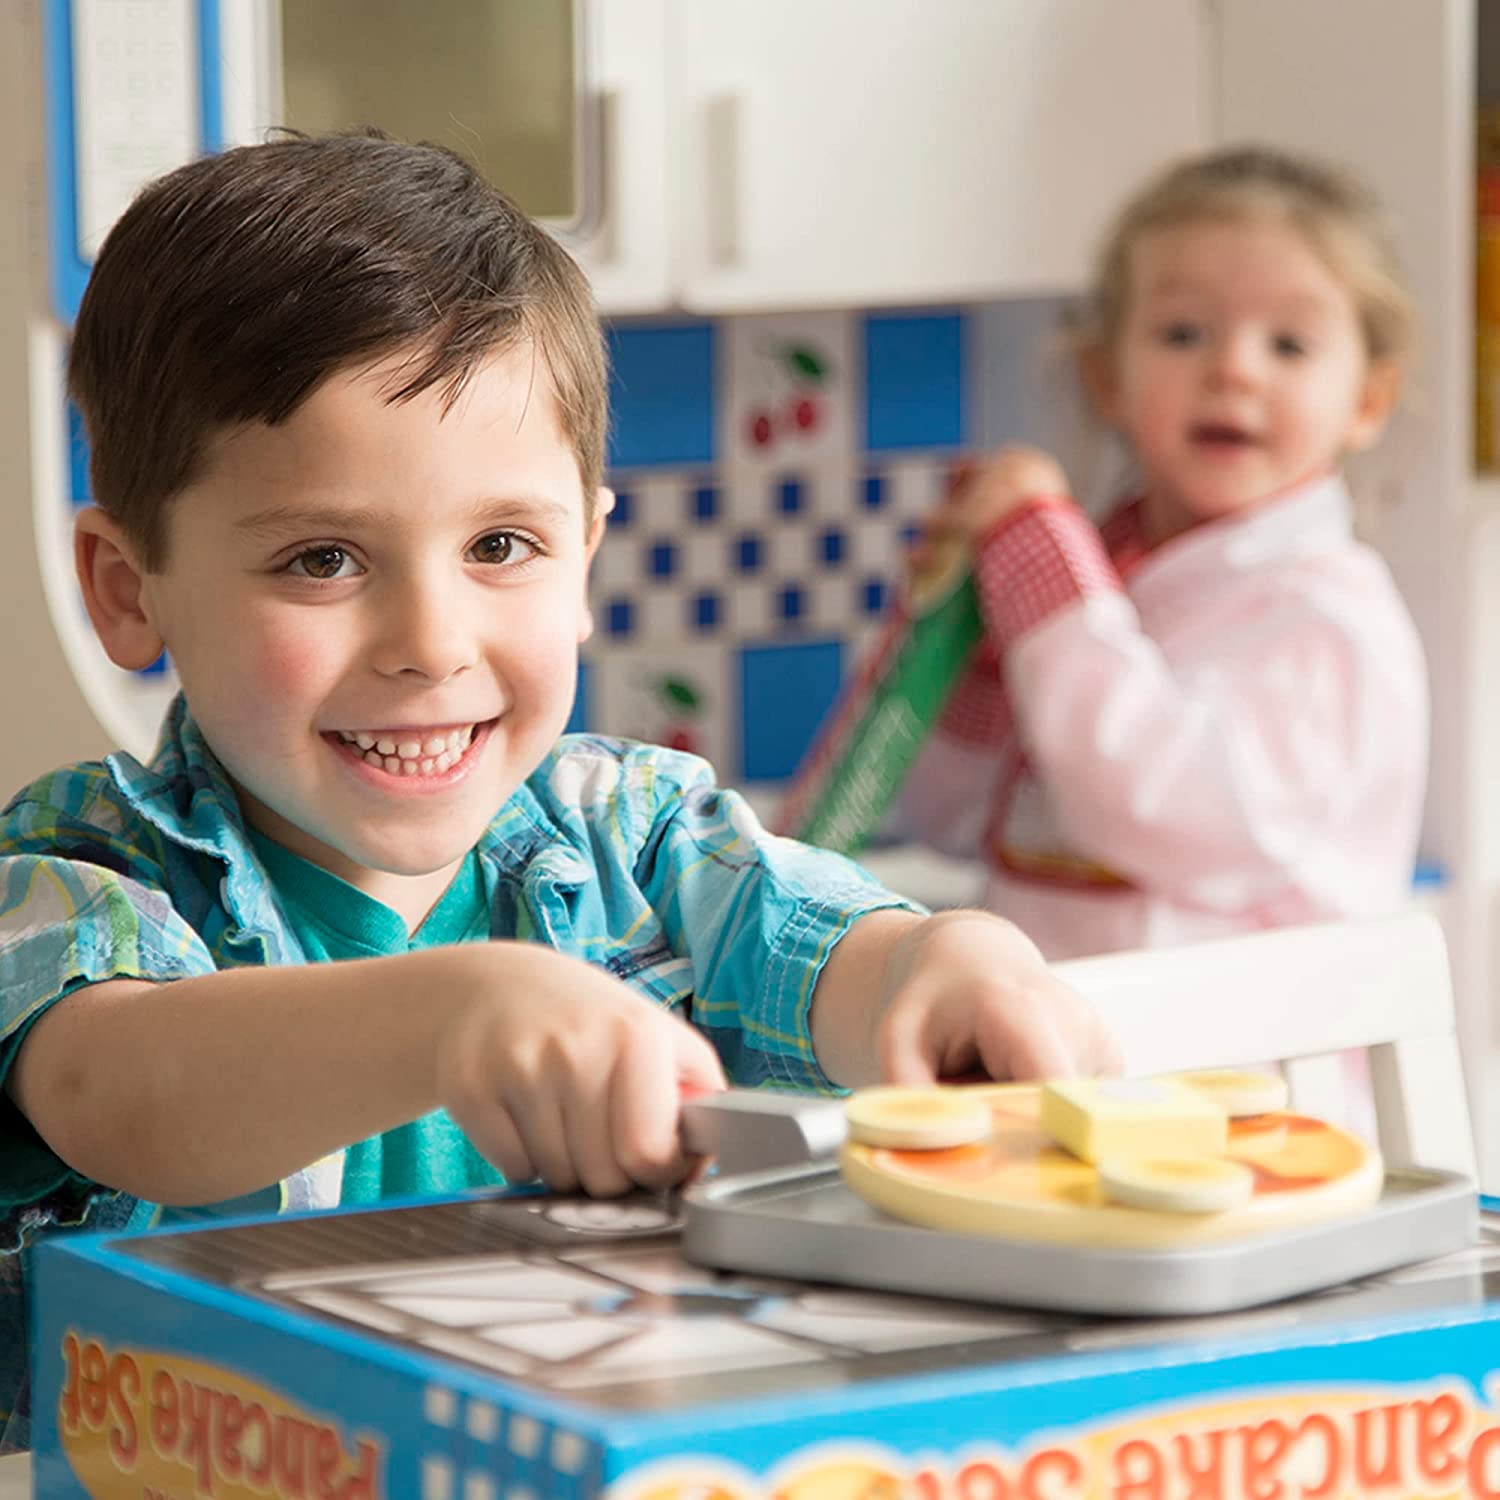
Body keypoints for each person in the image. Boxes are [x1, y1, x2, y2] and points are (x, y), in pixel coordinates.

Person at [0, 131, 1116, 1452]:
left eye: (500, 546)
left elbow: (838, 957)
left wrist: (952, 964)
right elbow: (129, 1099)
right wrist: (455, 1011)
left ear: (585, 554)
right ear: (132, 590)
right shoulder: (81, 869)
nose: (432, 638)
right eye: (320, 558)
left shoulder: (632, 837)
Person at [902, 144, 1427, 961]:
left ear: (1367, 401)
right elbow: (944, 819)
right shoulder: (1098, 576)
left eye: (1289, 345)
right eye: (1184, 332)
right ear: (1107, 376)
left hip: (1247, 1077)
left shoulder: (1326, 616)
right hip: (1063, 1060)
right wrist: (975, 652)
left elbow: (1160, 807)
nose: (1233, 370)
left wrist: (1046, 595)